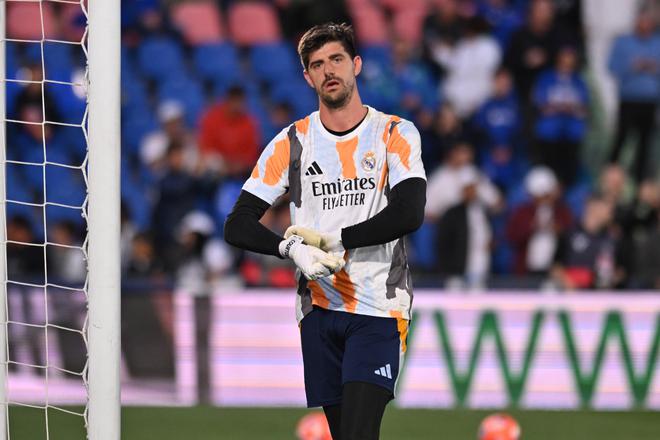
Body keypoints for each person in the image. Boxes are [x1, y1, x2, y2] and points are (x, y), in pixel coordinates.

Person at [224, 23, 426, 440]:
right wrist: (290, 249)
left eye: (336, 59)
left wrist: (339, 239)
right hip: (318, 310)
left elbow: (409, 213)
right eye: (317, 65)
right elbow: (237, 224)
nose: (328, 70)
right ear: (307, 77)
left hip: (378, 307)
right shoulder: (292, 142)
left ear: (356, 64)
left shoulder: (394, 133)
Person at [608, 10, 660, 183]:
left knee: (645, 144)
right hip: (629, 99)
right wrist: (632, 67)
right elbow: (612, 67)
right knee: (621, 139)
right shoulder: (623, 42)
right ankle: (610, 178)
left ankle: (641, 181)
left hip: (650, 101)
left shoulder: (657, 43)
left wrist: (653, 67)